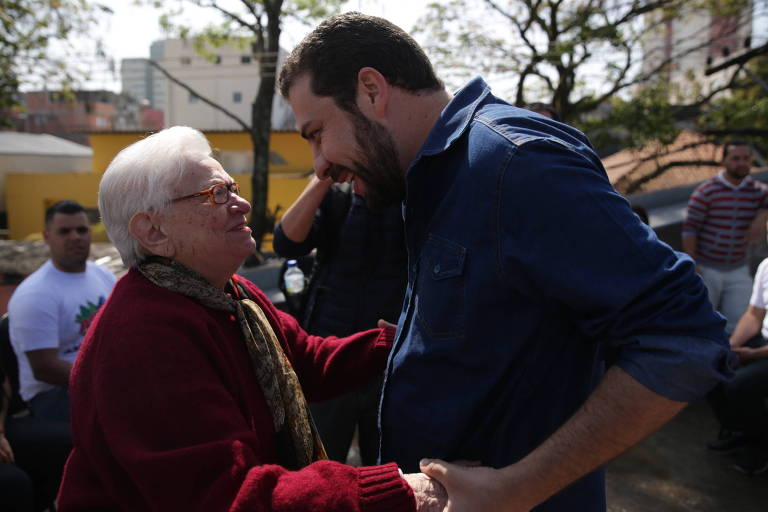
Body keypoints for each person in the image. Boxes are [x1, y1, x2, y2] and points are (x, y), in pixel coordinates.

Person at [278, 13, 733, 511]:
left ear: (370, 90)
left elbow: (683, 337)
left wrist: (520, 486)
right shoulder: (429, 179)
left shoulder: (514, 164)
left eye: (317, 132)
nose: (319, 164)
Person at [56, 126, 445, 511]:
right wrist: (401, 491)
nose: (241, 205)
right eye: (216, 195)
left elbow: (306, 360)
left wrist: (400, 342)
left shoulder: (230, 294)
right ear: (153, 231)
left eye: (233, 189)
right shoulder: (144, 335)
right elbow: (230, 495)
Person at [273, 175, 407, 465]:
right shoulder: (337, 196)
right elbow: (286, 243)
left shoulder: (413, 191)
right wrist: (322, 177)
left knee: (389, 469)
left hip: (393, 358)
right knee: (319, 465)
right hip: (330, 357)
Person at [8, 200, 116, 421]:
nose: (75, 237)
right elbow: (45, 369)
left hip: (99, 378)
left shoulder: (103, 275)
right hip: (52, 396)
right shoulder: (34, 294)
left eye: (82, 230)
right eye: (64, 231)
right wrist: (107, 380)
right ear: (47, 237)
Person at [682, 141, 768, 333]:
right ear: (724, 161)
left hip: (738, 266)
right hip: (707, 267)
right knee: (702, 320)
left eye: (746, 158)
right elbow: (690, 229)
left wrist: (762, 215)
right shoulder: (707, 191)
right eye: (735, 158)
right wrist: (693, 261)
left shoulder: (756, 190)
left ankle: (733, 358)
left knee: (738, 323)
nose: (742, 163)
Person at [707, 254, 768, 475]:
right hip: (762, 341)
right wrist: (731, 346)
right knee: (711, 365)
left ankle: (760, 445)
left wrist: (753, 355)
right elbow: (754, 315)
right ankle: (740, 430)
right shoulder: (766, 266)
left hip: (762, 351)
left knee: (740, 384)